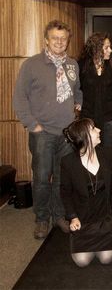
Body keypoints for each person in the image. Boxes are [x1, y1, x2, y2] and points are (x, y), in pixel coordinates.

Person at [13, 20, 83, 239]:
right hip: (42, 133)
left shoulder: (72, 64)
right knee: (43, 178)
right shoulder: (32, 65)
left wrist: (78, 105)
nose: (59, 42)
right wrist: (32, 124)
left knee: (62, 179)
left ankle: (59, 215)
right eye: (55, 38)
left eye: (63, 38)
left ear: (67, 40)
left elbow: (77, 90)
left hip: (67, 134)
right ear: (46, 40)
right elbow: (19, 98)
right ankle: (42, 219)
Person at [60, 118, 112, 267]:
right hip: (83, 219)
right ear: (85, 137)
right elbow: (65, 193)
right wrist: (73, 217)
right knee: (82, 262)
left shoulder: (107, 154)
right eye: (94, 129)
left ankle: (101, 243)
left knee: (106, 259)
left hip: (106, 216)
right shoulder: (68, 162)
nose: (99, 130)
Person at [79, 32, 112, 154]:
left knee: (108, 156)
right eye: (106, 47)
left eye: (110, 47)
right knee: (88, 154)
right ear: (96, 48)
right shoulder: (82, 66)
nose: (110, 50)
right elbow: (76, 88)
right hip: (88, 119)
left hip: (109, 119)